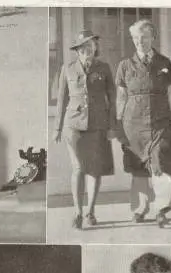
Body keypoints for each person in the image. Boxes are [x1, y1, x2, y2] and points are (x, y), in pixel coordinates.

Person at [115, 19, 171, 227]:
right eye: (135, 38)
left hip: (160, 121)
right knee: (138, 168)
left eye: (143, 37)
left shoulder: (164, 63)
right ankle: (140, 209)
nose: (139, 41)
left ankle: (161, 209)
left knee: (161, 162)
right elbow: (121, 98)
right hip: (133, 123)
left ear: (153, 37)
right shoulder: (125, 65)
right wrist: (118, 124)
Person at [54, 30, 115, 229]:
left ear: (95, 48)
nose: (87, 50)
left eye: (90, 46)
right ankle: (77, 212)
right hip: (74, 126)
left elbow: (112, 99)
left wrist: (112, 126)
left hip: (97, 126)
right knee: (79, 168)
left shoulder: (104, 68)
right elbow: (61, 100)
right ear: (77, 51)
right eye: (83, 48)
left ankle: (90, 211)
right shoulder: (68, 69)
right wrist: (57, 127)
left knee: (94, 170)